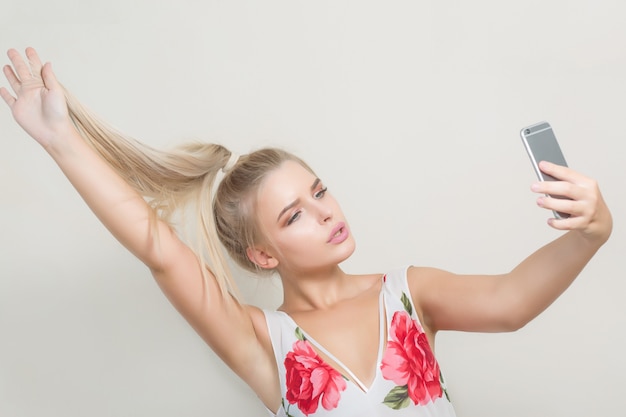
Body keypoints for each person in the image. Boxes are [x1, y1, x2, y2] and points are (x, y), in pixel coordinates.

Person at [1, 47, 612, 417]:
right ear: (263, 254)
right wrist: (62, 139)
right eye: (294, 214)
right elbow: (160, 251)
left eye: (318, 190)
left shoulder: (408, 293)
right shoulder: (262, 341)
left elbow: (510, 304)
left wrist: (592, 231)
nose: (324, 212)